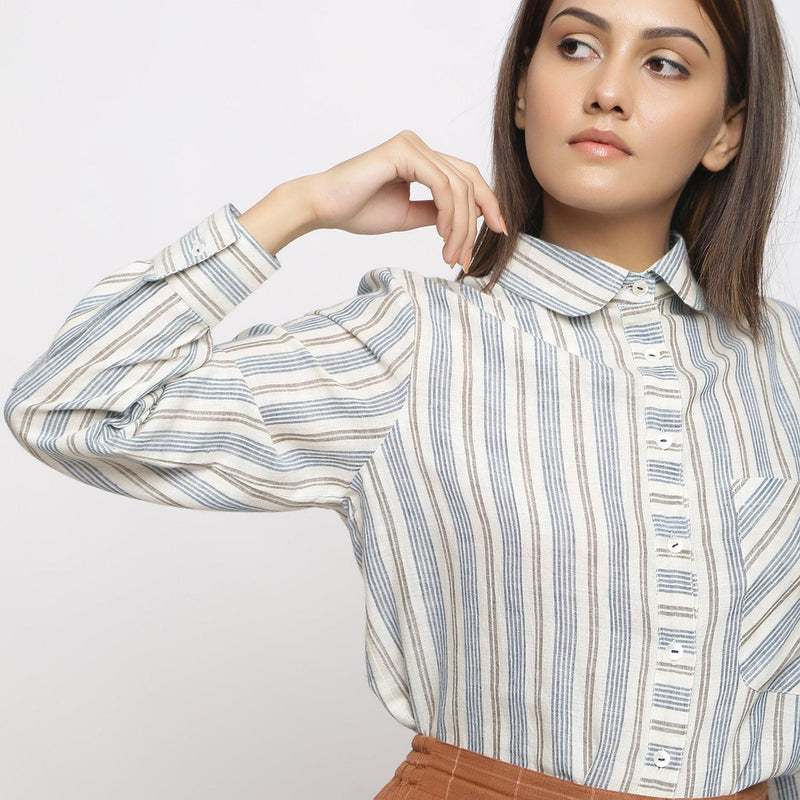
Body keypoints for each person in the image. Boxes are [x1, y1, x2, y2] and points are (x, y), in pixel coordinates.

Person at [4, 0, 799, 798]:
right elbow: (69, 407)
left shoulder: (786, 360)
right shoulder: (412, 342)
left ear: (727, 130)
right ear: (523, 90)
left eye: (665, 63)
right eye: (576, 45)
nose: (609, 90)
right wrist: (299, 206)